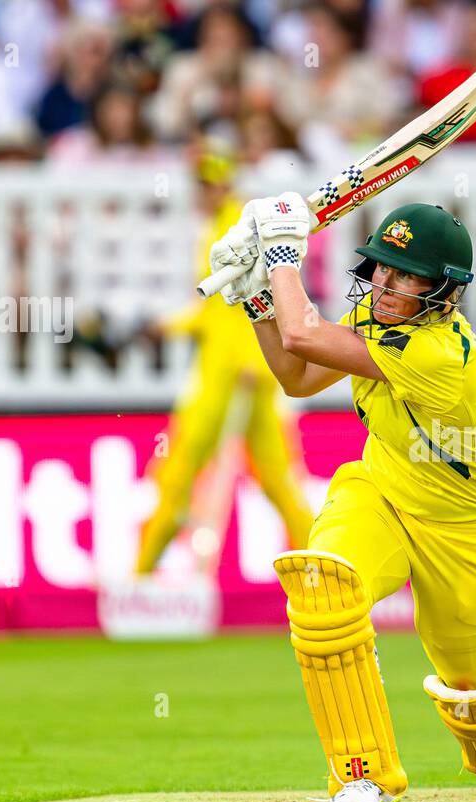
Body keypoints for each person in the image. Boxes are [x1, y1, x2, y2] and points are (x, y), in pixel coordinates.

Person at [207, 197, 476, 802]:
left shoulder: (439, 355)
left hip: (465, 528)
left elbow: (302, 332)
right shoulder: (370, 312)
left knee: (471, 683)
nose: (383, 284)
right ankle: (362, 775)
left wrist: (279, 257)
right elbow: (297, 376)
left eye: (402, 274)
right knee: (321, 586)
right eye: (380, 268)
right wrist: (254, 296)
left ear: (443, 290)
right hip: (380, 489)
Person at [133, 146, 313, 577]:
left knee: (182, 471)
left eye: (209, 184)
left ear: (224, 184)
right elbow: (216, 310)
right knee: (275, 479)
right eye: (200, 184)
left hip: (236, 376)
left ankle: (141, 575)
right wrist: (169, 327)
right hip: (235, 372)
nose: (203, 192)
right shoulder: (219, 224)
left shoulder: (239, 226)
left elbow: (265, 293)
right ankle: (317, 566)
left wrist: (256, 359)